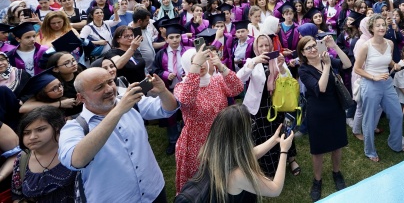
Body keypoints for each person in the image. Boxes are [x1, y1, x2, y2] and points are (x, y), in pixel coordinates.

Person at [58, 67, 179, 203]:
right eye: (99, 87)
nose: (109, 89)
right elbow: (76, 161)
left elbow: (168, 109)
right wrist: (119, 110)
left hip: (154, 189)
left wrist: (162, 92)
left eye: (110, 82)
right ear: (81, 97)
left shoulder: (131, 103)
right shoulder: (75, 127)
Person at [176, 104, 294, 203]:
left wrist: (274, 140)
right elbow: (275, 189)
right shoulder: (238, 175)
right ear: (241, 137)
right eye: (251, 124)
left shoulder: (213, 153)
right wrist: (284, 151)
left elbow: (248, 155)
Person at [173, 46, 243, 193]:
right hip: (197, 144)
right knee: (200, 186)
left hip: (220, 137)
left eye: (202, 60)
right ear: (187, 65)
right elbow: (186, 98)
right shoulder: (181, 87)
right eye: (194, 62)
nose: (201, 65)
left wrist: (220, 66)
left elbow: (237, 88)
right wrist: (195, 70)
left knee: (222, 179)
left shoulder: (216, 80)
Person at [235, 34, 299, 178]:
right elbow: (238, 80)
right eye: (261, 46)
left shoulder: (277, 59)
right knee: (264, 137)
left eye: (267, 45)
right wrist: (253, 63)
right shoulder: (252, 61)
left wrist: (282, 67)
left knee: (284, 131)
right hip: (259, 106)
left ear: (271, 46)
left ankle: (291, 159)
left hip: (278, 104)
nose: (264, 48)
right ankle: (269, 167)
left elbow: (288, 80)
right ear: (256, 48)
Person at [298, 35, 351, 201]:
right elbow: (319, 88)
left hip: (335, 109)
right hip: (318, 113)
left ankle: (336, 172)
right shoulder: (304, 70)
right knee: (318, 149)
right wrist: (327, 66)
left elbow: (347, 64)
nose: (313, 49)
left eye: (314, 45)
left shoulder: (326, 58)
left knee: (337, 144)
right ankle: (317, 180)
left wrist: (334, 46)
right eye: (308, 48)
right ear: (303, 53)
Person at [353, 14, 404, 162]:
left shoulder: (390, 43)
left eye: (383, 25)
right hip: (370, 84)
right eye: (378, 25)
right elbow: (357, 69)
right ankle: (370, 151)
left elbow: (388, 61)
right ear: (371, 28)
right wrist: (373, 77)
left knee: (397, 114)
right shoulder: (365, 46)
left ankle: (395, 144)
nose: (382, 28)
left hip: (387, 84)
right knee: (369, 120)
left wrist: (394, 65)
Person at [11, 106, 76, 202]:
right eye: (26, 133)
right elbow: (17, 196)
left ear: (56, 127)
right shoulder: (22, 159)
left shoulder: (73, 150)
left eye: (41, 130)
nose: (32, 137)